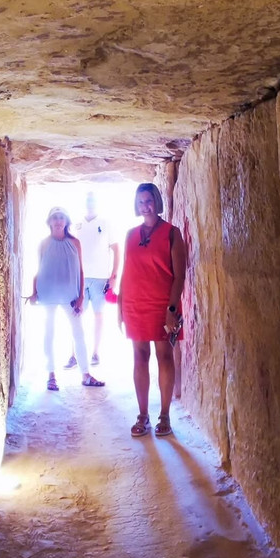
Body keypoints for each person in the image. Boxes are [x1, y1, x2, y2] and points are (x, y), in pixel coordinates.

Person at [118, 183, 185, 436]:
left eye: (149, 200)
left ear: (156, 201)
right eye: (140, 201)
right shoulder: (130, 234)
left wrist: (171, 308)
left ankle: (165, 416)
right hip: (135, 304)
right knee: (139, 357)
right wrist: (121, 306)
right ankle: (143, 415)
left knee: (164, 357)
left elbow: (180, 276)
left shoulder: (172, 233)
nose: (145, 205)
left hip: (161, 304)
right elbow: (127, 271)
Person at [30, 206, 105, 391]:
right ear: (49, 221)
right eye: (54, 217)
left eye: (61, 217)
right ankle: (51, 374)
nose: (58, 221)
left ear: (66, 221)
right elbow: (38, 269)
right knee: (49, 333)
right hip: (48, 294)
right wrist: (33, 292)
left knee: (78, 333)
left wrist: (80, 297)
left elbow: (81, 271)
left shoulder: (75, 243)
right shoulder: (43, 243)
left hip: (70, 296)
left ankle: (86, 374)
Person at [64, 191, 120, 369]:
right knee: (76, 315)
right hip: (79, 278)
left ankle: (95, 352)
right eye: (88, 200)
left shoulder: (105, 223)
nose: (90, 203)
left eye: (93, 200)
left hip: (100, 277)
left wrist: (113, 276)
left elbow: (116, 249)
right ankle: (73, 355)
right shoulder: (76, 224)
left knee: (98, 315)